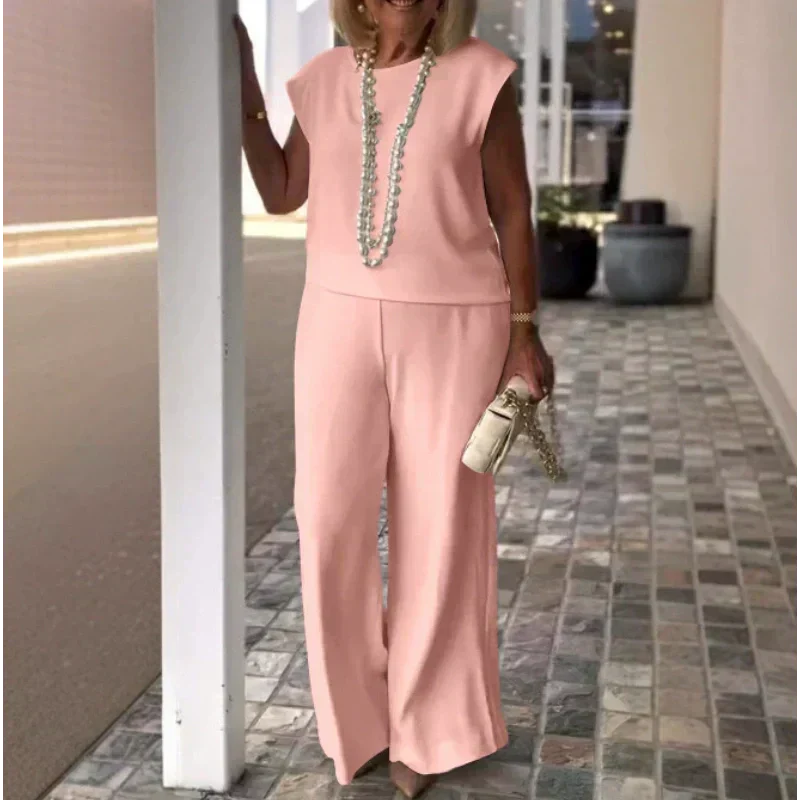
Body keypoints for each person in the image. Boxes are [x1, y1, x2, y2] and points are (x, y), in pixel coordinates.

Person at [234, 1, 554, 796]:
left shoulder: (483, 76)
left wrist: (524, 332)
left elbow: (513, 208)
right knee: (327, 516)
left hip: (458, 324)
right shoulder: (324, 79)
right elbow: (281, 190)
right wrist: (240, 84)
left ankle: (427, 729)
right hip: (335, 320)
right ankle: (358, 723)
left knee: (441, 525)